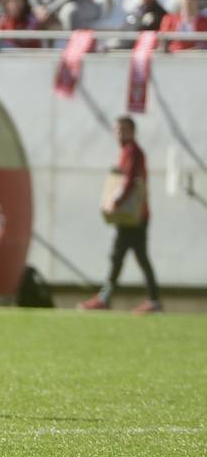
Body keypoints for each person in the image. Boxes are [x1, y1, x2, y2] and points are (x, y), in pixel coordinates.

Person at [79, 117, 162, 314]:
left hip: (133, 218)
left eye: (123, 130)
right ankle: (152, 301)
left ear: (132, 132)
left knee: (120, 257)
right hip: (135, 217)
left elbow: (130, 181)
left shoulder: (133, 151)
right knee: (132, 258)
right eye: (117, 130)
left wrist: (114, 202)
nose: (119, 134)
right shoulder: (127, 151)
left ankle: (106, 298)